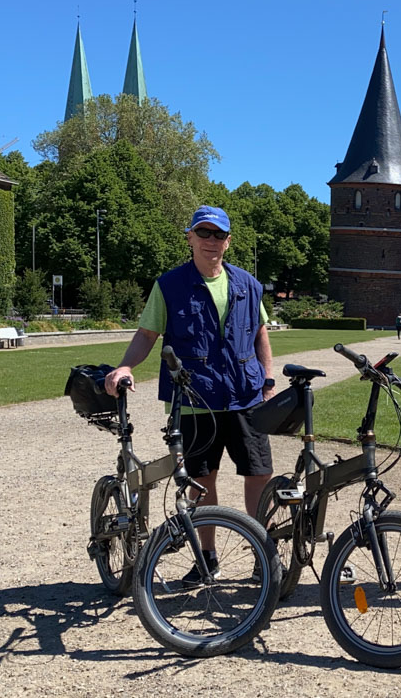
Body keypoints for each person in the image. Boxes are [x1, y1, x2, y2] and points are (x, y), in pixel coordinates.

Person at [104, 205, 275, 581]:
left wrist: (268, 379)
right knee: (202, 480)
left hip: (245, 395)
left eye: (218, 234)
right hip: (195, 400)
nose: (211, 240)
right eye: (204, 233)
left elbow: (260, 332)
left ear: (228, 241)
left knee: (259, 474)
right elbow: (147, 334)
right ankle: (207, 557)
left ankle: (263, 555)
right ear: (190, 238)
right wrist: (125, 366)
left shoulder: (247, 284)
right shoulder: (169, 285)